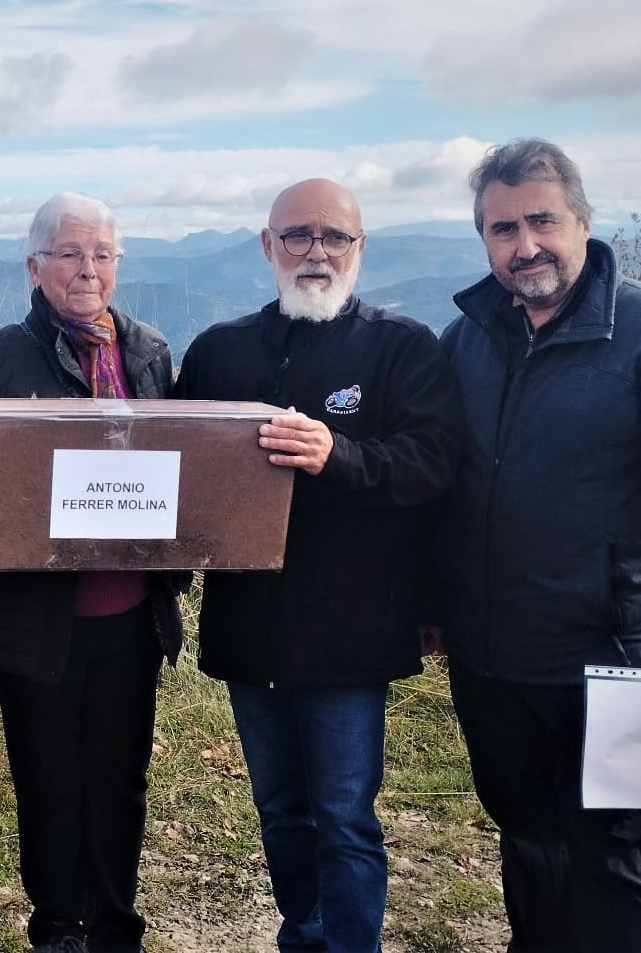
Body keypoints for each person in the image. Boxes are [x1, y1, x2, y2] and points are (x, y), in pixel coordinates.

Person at [439, 138, 641, 951]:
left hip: (611, 649)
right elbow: (446, 487)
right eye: (502, 229)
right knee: (528, 840)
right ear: (484, 240)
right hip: (491, 652)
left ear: (583, 220)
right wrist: (431, 605)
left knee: (614, 855)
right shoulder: (468, 339)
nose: (525, 245)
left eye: (541, 220)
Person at [173, 179, 464, 953]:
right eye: (298, 235)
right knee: (279, 809)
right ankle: (303, 935)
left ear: (361, 249)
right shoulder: (218, 351)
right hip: (250, 626)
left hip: (352, 630)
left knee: (343, 815)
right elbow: (174, 476)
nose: (316, 252)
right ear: (267, 247)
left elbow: (434, 467)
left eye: (335, 237)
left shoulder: (403, 348)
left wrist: (341, 456)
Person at [0, 192, 187, 953]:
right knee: (47, 781)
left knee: (120, 781)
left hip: (131, 616)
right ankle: (57, 925)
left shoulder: (148, 352)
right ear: (35, 266)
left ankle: (116, 925)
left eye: (103, 255)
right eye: (70, 254)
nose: (88, 270)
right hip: (37, 619)